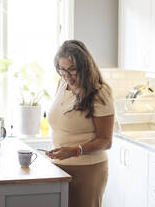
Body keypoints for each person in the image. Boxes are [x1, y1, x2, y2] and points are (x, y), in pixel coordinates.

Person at [46, 40, 114, 207]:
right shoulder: (62, 84)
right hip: (60, 168)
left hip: (88, 169)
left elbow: (105, 141)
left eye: (72, 70)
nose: (67, 75)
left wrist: (75, 150)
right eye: (62, 69)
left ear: (85, 67)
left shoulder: (99, 93)